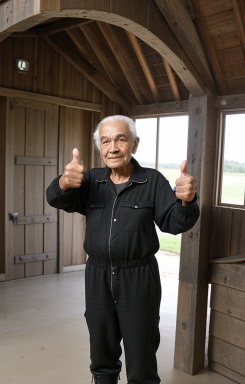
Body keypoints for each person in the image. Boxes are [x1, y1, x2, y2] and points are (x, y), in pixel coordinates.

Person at [46, 115, 199, 384]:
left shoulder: (152, 181)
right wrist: (61, 183)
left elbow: (175, 224)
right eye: (105, 141)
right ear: (99, 147)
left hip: (138, 276)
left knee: (141, 355)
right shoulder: (91, 179)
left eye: (120, 139)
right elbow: (57, 199)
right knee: (101, 353)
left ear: (134, 144)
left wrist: (187, 202)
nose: (113, 147)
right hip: (97, 275)